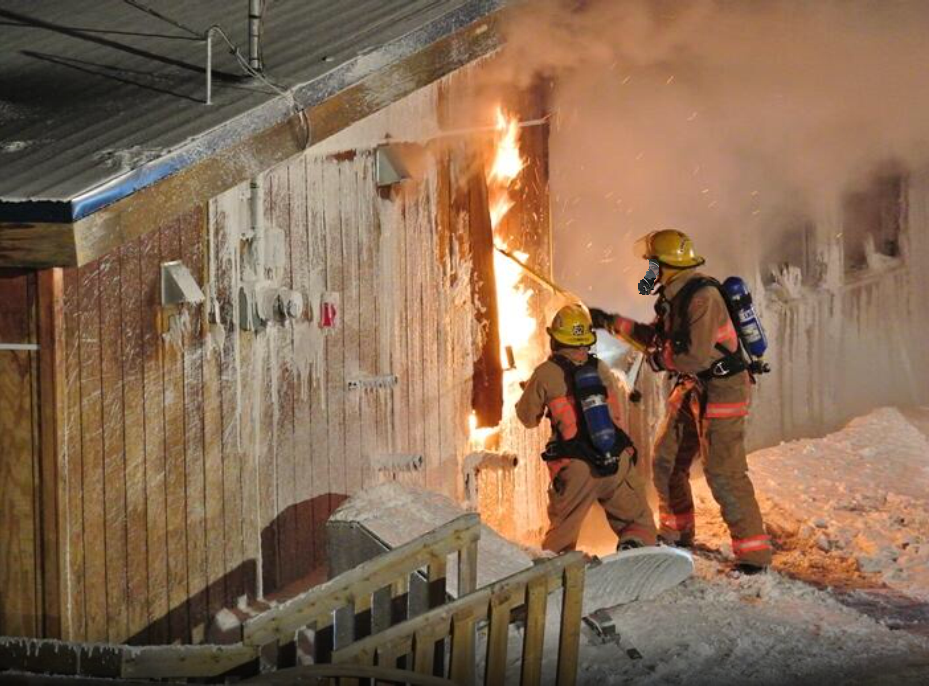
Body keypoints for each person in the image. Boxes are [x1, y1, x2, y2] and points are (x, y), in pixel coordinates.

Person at [590, 229, 772, 573]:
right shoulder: (675, 296)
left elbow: (694, 356)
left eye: (652, 265)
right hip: (694, 386)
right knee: (666, 460)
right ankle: (677, 532)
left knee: (724, 471)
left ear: (666, 266)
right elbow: (655, 338)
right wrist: (609, 322)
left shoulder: (702, 299)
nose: (649, 272)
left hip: (723, 389)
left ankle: (753, 555)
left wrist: (661, 360)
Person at [516, 304, 657, 554]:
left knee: (560, 539)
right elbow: (615, 416)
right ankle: (635, 549)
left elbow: (527, 419)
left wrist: (532, 391)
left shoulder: (545, 373)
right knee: (638, 521)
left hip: (577, 469)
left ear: (555, 340)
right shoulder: (601, 368)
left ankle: (559, 569)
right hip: (616, 460)